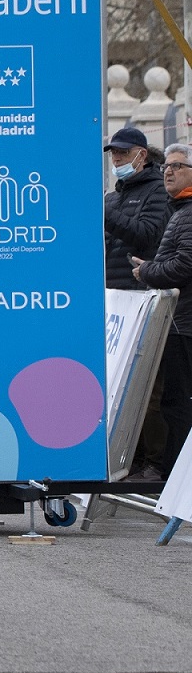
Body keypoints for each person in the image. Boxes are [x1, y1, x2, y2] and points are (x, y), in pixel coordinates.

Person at [131, 143, 192, 480]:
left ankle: (176, 477)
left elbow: (184, 264)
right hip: (178, 322)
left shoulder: (188, 213)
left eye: (178, 166)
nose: (169, 171)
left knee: (176, 403)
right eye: (167, 166)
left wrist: (148, 271)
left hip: (184, 325)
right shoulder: (179, 210)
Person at [106, 125, 170, 290]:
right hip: (111, 290)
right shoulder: (111, 198)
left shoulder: (159, 189)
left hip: (140, 289)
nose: (116, 158)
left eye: (124, 152)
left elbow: (147, 234)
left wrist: (103, 213)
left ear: (141, 155)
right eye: (114, 152)